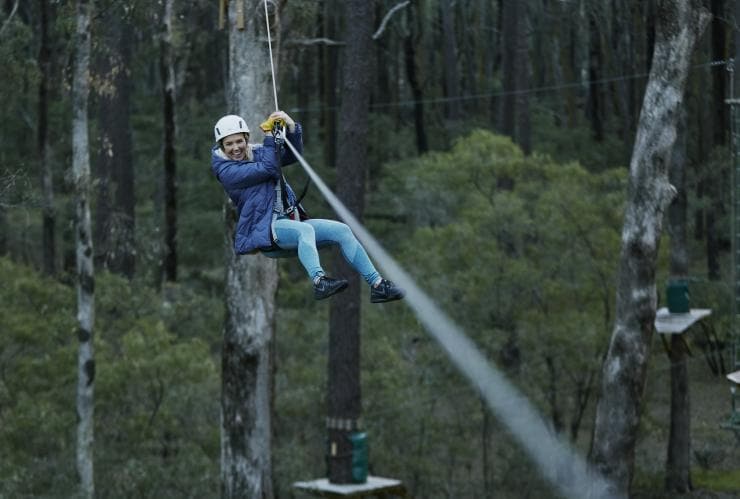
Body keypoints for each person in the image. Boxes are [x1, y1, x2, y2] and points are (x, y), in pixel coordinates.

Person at [211, 111, 404, 302]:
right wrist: (270, 137)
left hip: (287, 223)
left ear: (246, 138)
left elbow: (292, 156)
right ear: (221, 146)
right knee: (305, 230)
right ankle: (319, 281)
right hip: (266, 232)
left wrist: (292, 128)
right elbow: (270, 167)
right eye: (229, 144)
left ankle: (378, 285)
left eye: (239, 141)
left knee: (342, 230)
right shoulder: (227, 171)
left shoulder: (257, 152)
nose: (236, 148)